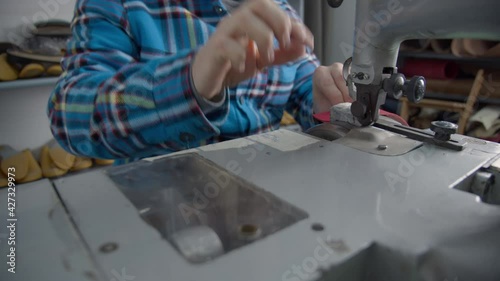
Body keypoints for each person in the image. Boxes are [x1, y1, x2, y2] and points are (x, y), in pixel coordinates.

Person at [47, 0, 351, 164]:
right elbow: (70, 115)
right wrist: (190, 81)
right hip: (152, 212)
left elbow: (304, 89)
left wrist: (326, 102)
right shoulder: (119, 4)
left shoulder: (282, 10)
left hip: (264, 205)